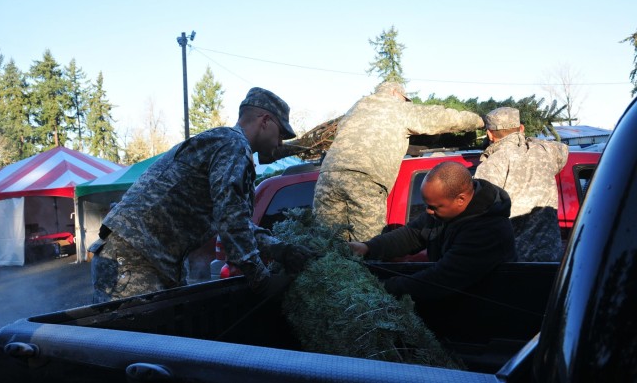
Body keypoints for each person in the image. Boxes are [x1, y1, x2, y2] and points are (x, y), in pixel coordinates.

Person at [89, 87, 314, 303]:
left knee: (165, 336)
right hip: (131, 256)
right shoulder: (233, 144)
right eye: (281, 133)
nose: (280, 143)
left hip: (153, 258)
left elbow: (235, 220)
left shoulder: (227, 144)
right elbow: (230, 217)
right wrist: (261, 280)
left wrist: (280, 249)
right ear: (265, 121)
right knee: (134, 338)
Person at [313, 81, 484, 242]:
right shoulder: (396, 107)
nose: (407, 103)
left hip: (327, 177)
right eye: (405, 99)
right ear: (395, 93)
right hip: (363, 180)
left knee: (328, 245)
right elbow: (441, 118)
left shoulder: (356, 109)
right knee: (367, 249)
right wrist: (479, 121)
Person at [348, 161, 516, 301]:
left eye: (434, 207)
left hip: (483, 312)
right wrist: (368, 247)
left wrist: (382, 288)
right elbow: (412, 234)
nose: (428, 211)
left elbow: (441, 280)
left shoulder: (488, 230)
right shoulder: (442, 213)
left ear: (461, 199)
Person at [474, 107, 569, 262]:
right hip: (551, 259)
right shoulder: (546, 151)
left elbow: (479, 215)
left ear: (490, 134)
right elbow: (563, 150)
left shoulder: (491, 165)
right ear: (522, 128)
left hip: (514, 262)